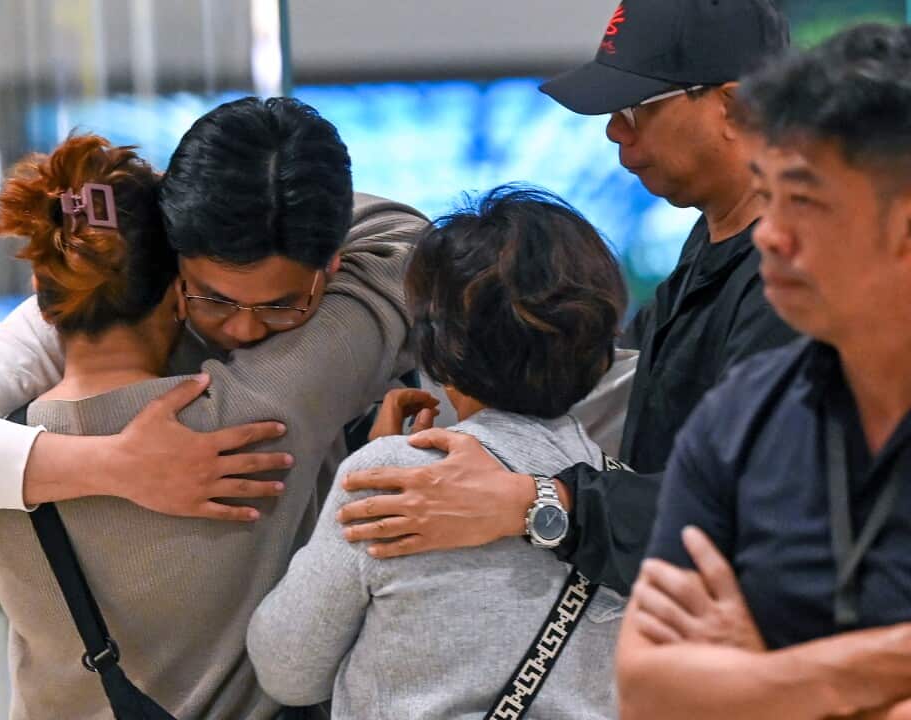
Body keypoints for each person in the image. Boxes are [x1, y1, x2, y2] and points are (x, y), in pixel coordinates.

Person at [0, 99, 423, 716]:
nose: (244, 329)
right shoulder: (272, 400)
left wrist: (190, 201)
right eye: (212, 298)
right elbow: (408, 241)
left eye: (281, 305)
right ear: (172, 277)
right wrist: (118, 464)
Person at [336, 0, 798, 594]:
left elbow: (754, 510)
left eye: (636, 108)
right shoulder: (713, 240)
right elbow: (609, 384)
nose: (614, 130)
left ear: (732, 106)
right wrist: (421, 429)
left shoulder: (804, 280)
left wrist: (536, 503)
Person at [615, 22, 911, 719]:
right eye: (767, 198)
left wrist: (758, 677)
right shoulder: (742, 415)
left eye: (803, 202)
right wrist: (863, 674)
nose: (770, 236)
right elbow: (647, 690)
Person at [247, 186, 628, 719]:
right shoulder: (627, 507)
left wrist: (372, 466)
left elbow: (288, 668)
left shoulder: (393, 477)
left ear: (439, 352)